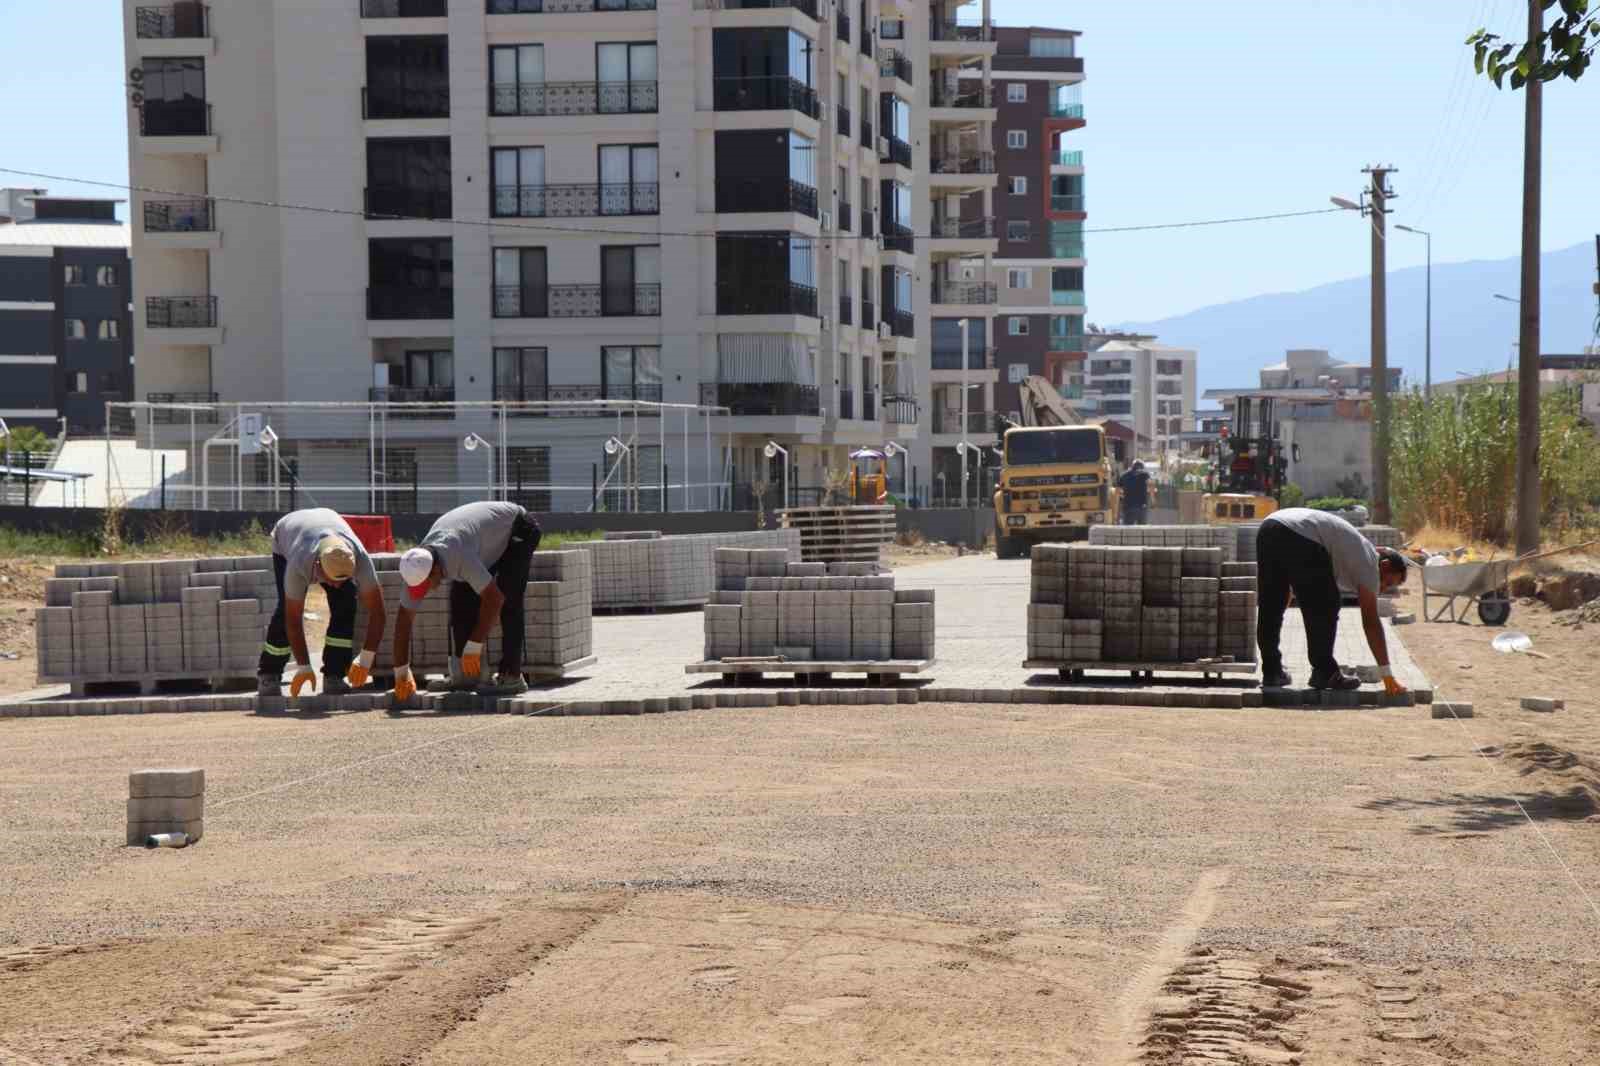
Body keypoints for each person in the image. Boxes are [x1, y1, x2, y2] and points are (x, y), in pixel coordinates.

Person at [391, 501, 542, 701]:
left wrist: (475, 643)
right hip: (479, 540)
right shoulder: (416, 565)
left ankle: (512, 676)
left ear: (435, 570)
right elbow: (403, 621)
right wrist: (401, 674)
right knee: (460, 603)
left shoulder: (459, 556)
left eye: (425, 585)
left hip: (518, 528)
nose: (424, 591)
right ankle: (466, 677)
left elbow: (494, 600)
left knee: (508, 600)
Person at [1256, 507, 1409, 692]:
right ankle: (1325, 673)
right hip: (1302, 535)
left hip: (1270, 527)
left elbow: (1287, 589)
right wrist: (1387, 675)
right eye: (1388, 582)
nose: (1382, 588)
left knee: (1271, 604)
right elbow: (1371, 622)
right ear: (1384, 566)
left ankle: (1272, 671)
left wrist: (1280, 607)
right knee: (1327, 603)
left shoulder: (1355, 550)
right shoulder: (1370, 564)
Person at [258, 508, 386, 698]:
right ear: (318, 565)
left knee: (346, 601)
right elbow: (293, 619)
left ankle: (334, 675)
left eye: (343, 579)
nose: (337, 584)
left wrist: (366, 659)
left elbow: (379, 613)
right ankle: (269, 673)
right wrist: (304, 666)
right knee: (285, 609)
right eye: (332, 579)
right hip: (288, 535)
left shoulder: (358, 557)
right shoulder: (298, 563)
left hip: (328, 522)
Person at [1117, 461, 1150, 526]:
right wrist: (1153, 499)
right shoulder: (1145, 474)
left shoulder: (1124, 475)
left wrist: (1121, 498)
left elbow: (1117, 491)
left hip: (1128, 507)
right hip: (1141, 507)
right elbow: (1151, 485)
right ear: (1142, 467)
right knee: (1142, 530)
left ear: (1132, 466)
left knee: (1127, 530)